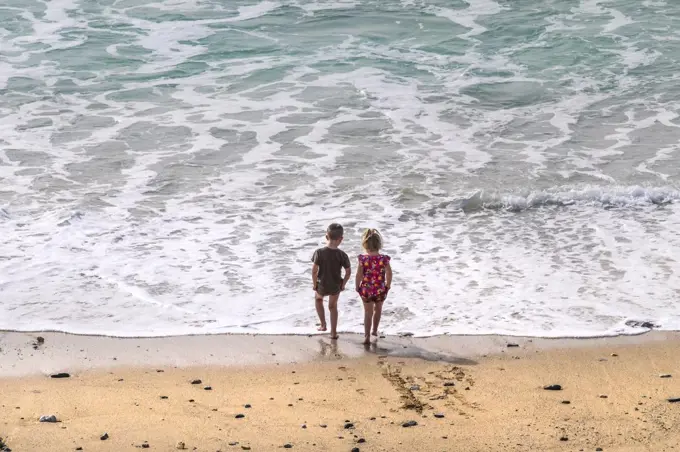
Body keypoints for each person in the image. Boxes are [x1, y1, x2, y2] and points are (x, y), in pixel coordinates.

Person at [311, 223, 351, 340]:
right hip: (335, 285)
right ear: (341, 239)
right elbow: (348, 272)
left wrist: (315, 285)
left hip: (322, 284)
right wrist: (343, 285)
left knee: (318, 299)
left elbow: (314, 271)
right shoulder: (342, 255)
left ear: (326, 236)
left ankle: (323, 325)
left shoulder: (319, 252)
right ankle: (333, 333)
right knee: (333, 307)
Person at [355, 228, 392, 344]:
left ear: (365, 245)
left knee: (367, 312)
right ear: (379, 245)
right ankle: (375, 330)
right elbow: (389, 273)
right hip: (380, 289)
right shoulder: (383, 259)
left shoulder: (363, 259)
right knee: (378, 309)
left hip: (366, 289)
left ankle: (366, 337)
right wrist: (388, 285)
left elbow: (359, 274)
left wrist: (357, 286)